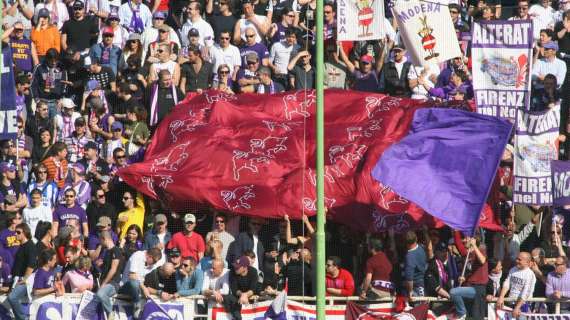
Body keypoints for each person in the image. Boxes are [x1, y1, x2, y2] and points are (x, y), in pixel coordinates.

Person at [450, 236, 488, 320]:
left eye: (466, 238)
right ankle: (463, 314)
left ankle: (462, 313)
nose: (464, 240)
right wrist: (463, 278)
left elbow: (482, 261)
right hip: (469, 286)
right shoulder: (467, 255)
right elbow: (470, 272)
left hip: (478, 288)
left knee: (454, 292)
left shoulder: (480, 251)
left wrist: (474, 246)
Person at [120, 247, 163, 317]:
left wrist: (145, 289)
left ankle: (139, 310)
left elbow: (141, 280)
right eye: (154, 261)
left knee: (140, 287)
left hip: (137, 290)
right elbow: (132, 276)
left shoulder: (151, 265)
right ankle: (137, 305)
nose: (155, 263)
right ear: (149, 256)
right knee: (134, 283)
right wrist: (144, 288)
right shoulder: (137, 255)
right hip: (125, 286)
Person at [497, 252, 537, 319]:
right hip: (510, 303)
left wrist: (517, 307)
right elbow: (507, 284)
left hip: (523, 305)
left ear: (527, 262)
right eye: (517, 259)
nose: (516, 261)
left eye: (519, 259)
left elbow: (526, 293)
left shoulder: (530, 274)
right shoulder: (513, 269)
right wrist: (501, 297)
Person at [96, 230, 125, 320]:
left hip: (113, 283)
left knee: (100, 294)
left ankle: (111, 313)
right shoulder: (107, 252)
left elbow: (113, 269)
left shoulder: (116, 250)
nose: (100, 243)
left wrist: (104, 283)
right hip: (106, 282)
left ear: (104, 239)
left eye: (100, 241)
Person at [404, 230, 427, 297]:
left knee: (418, 306)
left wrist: (410, 292)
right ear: (416, 239)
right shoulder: (421, 248)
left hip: (416, 287)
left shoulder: (409, 256)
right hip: (423, 283)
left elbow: (409, 278)